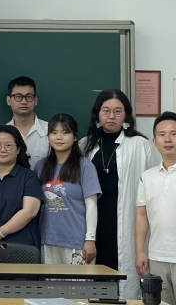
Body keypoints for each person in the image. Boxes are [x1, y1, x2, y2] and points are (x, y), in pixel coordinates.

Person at [81, 89, 160, 299]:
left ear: (126, 114)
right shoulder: (85, 145)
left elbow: (154, 184)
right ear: (97, 114)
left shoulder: (141, 145)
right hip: (94, 221)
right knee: (95, 279)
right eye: (106, 111)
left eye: (118, 111)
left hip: (128, 219)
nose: (111, 116)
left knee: (125, 280)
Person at [35, 114, 101, 265]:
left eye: (65, 132)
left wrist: (90, 239)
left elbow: (92, 205)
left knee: (78, 281)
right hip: (47, 240)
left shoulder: (85, 166)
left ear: (75, 137)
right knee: (50, 281)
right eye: (54, 132)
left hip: (77, 242)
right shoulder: (41, 166)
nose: (59, 137)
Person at [136, 111, 176, 305]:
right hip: (157, 256)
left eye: (174, 133)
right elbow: (142, 215)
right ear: (154, 141)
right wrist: (139, 251)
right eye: (162, 134)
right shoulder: (147, 176)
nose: (168, 139)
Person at [6, 76, 48, 169]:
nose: (24, 102)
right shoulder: (2, 134)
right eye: (18, 97)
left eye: (29, 97)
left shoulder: (50, 131)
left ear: (35, 100)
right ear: (9, 101)